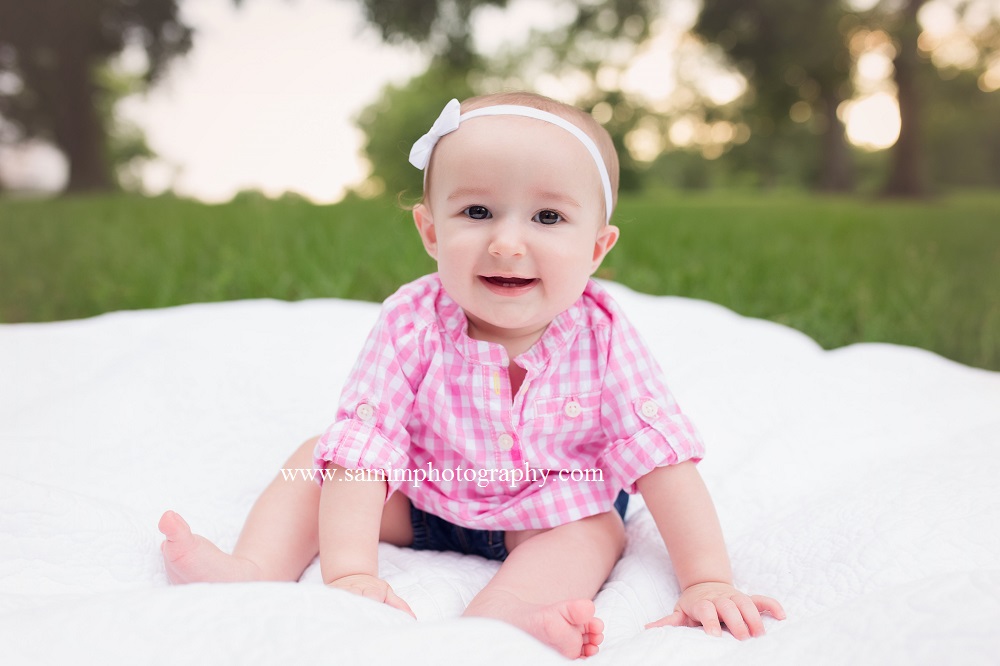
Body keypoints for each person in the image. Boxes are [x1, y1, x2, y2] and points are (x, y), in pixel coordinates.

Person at [158, 91, 785, 659]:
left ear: (597, 247)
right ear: (431, 231)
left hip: (547, 510)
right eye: (478, 211)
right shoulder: (410, 321)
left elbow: (659, 458)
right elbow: (365, 444)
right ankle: (253, 566)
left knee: (596, 531)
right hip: (425, 497)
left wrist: (707, 579)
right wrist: (352, 572)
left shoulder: (604, 334)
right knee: (316, 459)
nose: (508, 243)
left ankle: (507, 619)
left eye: (547, 218)